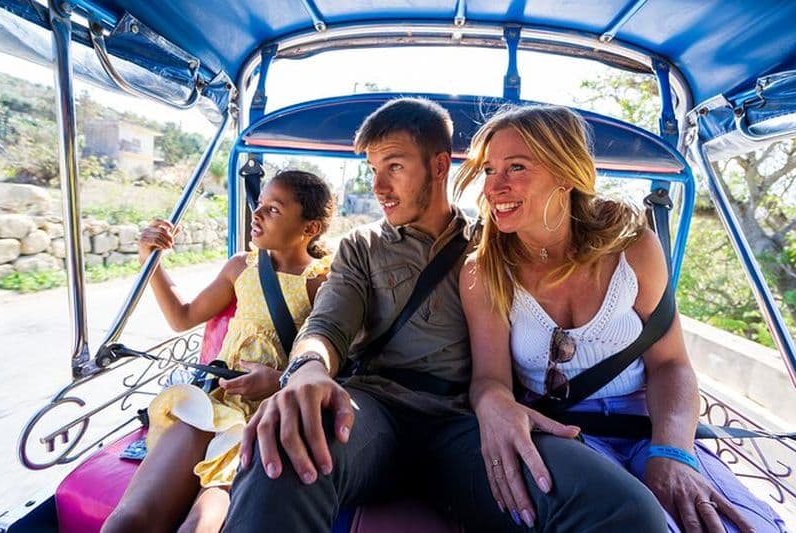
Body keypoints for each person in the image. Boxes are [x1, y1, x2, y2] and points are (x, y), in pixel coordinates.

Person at [224, 97, 668, 532]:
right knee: (285, 443)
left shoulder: (492, 247)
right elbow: (327, 325)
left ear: (439, 167)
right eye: (373, 170)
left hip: (465, 426)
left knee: (621, 509)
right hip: (374, 411)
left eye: (393, 167)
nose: (378, 187)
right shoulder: (361, 247)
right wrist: (306, 369)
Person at [455, 104, 786, 532]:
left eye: (515, 167)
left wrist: (673, 454)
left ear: (567, 174)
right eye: (488, 170)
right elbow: (490, 379)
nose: (494, 187)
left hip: (651, 424)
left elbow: (671, 364)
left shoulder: (632, 247)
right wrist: (493, 403)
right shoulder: (485, 270)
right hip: (564, 435)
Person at [102, 170, 335, 533]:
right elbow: (183, 317)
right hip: (213, 400)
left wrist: (278, 381)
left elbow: (338, 366)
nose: (256, 215)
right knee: (126, 522)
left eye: (273, 210)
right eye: (259, 205)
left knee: (199, 524)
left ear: (310, 228)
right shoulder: (241, 267)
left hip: (267, 415)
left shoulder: (325, 283)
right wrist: (152, 262)